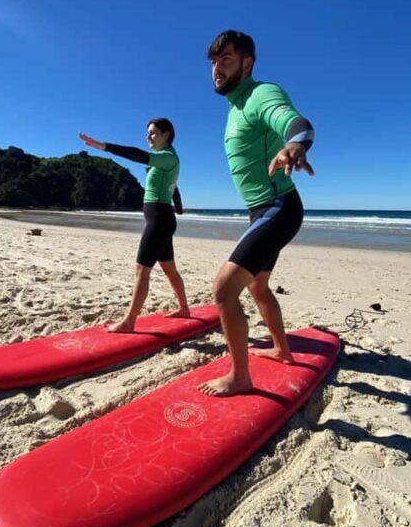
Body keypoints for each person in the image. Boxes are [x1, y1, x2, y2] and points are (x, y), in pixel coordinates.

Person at [199, 30, 315, 396]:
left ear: (247, 63)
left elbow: (295, 123)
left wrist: (294, 145)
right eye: (214, 62)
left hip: (278, 207)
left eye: (227, 60)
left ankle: (240, 377)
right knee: (257, 285)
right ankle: (282, 349)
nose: (217, 69)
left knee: (223, 291)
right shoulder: (235, 107)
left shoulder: (261, 94)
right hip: (262, 210)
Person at [79, 118, 190, 332]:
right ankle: (184, 308)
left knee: (142, 268)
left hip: (159, 219)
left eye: (153, 132)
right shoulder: (163, 161)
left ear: (167, 134)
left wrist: (104, 147)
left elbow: (136, 155)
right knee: (169, 268)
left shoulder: (166, 157)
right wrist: (179, 208)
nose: (148, 136)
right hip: (163, 218)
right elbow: (173, 187)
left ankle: (129, 321)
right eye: (147, 132)